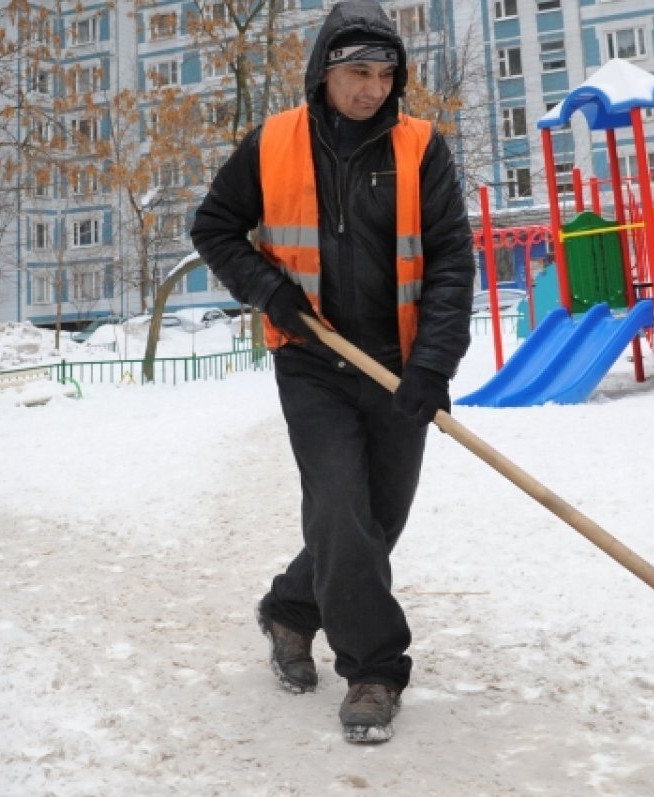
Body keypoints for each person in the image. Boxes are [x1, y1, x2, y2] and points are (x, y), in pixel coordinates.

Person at [190, 0, 474, 744]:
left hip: (397, 364)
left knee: (376, 522)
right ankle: (375, 669)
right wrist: (269, 288)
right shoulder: (274, 142)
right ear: (324, 73)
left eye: (385, 75)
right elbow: (214, 227)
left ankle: (291, 606)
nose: (372, 89)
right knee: (342, 507)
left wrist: (433, 364)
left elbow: (450, 260)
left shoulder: (421, 148)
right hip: (313, 360)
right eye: (357, 73)